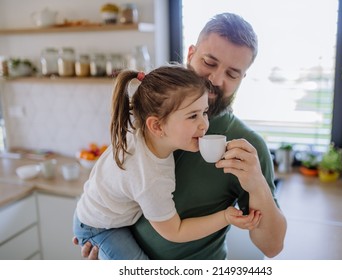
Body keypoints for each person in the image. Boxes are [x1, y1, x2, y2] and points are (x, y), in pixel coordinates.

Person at [76, 12, 287, 260]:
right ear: (190, 54)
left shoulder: (246, 147)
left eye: (232, 74)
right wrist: (94, 229)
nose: (216, 80)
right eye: (209, 62)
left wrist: (258, 185)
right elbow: (109, 179)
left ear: (243, 78)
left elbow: (272, 247)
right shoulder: (150, 112)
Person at [73, 65, 259, 260]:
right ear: (157, 126)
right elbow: (175, 231)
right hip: (99, 228)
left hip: (92, 211)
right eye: (192, 116)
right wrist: (225, 217)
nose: (204, 124)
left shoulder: (141, 126)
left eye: (204, 112)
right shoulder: (150, 178)